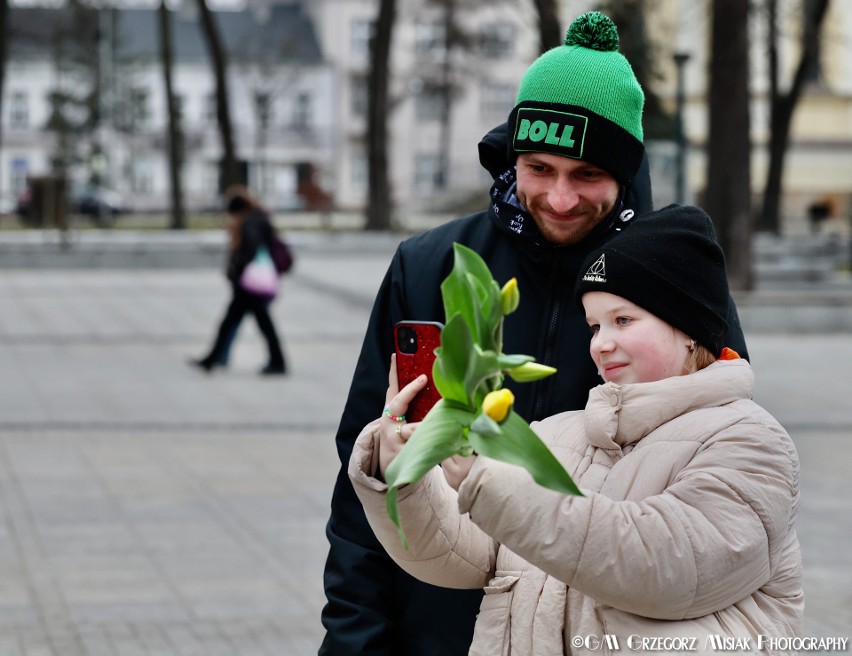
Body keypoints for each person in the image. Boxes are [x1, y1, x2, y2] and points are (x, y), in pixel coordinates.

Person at [320, 11, 749, 655]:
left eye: (588, 175)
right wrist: (357, 639)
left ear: (625, 174)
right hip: (435, 626)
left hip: (597, 630)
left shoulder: (673, 282)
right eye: (541, 167)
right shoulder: (429, 265)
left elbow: (723, 480)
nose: (561, 197)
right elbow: (365, 475)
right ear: (511, 154)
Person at [350, 204, 803, 654]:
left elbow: (667, 564)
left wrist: (488, 483)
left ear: (688, 327)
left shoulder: (751, 441)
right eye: (593, 325)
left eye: (623, 320)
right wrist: (404, 472)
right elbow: (460, 555)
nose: (601, 343)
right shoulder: (561, 434)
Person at [189, 186, 287, 376]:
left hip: (249, 285)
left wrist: (237, 270)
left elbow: (250, 250)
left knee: (234, 323)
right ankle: (215, 358)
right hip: (252, 284)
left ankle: (214, 359)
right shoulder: (259, 217)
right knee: (256, 323)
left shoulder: (250, 223)